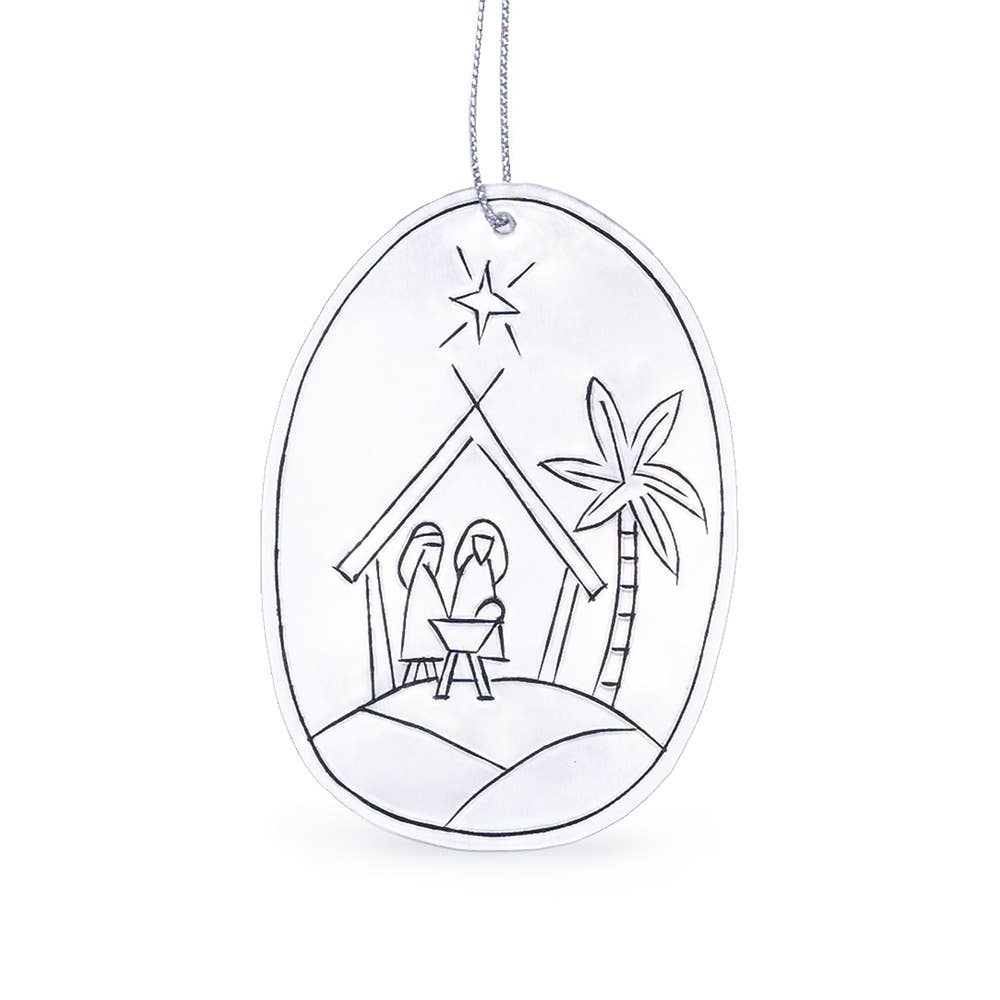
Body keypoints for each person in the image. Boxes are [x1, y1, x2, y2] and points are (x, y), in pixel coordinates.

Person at [451, 519, 508, 661]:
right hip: (463, 612)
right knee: (461, 641)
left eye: (487, 543)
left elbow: (498, 575)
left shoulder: (490, 567)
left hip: (484, 612)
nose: (483, 546)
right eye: (479, 541)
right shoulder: (467, 563)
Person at [397, 522, 447, 683]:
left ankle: (431, 681)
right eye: (430, 547)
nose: (433, 553)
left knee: (429, 652)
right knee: (419, 651)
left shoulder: (427, 578)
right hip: (419, 622)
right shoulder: (420, 577)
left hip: (428, 620)